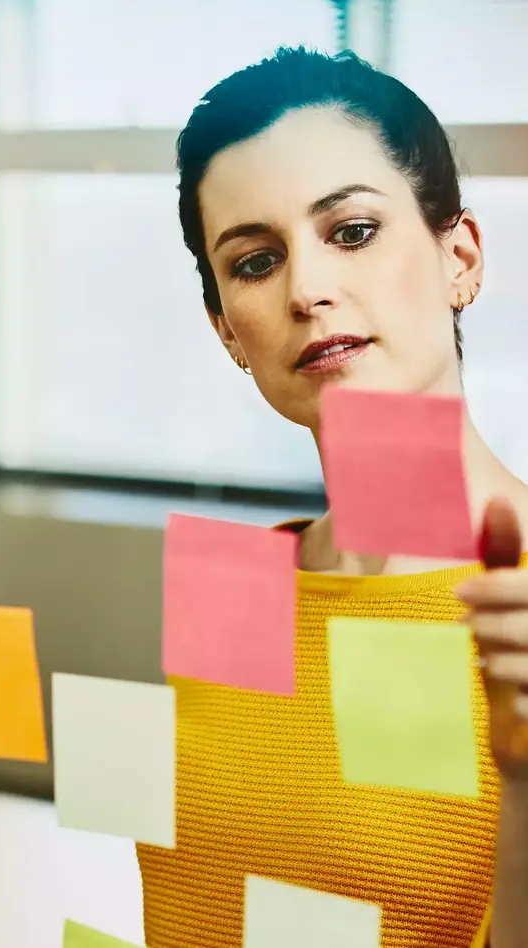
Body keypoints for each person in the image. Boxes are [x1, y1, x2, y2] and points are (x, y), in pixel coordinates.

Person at [134, 48, 528, 948]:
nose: (307, 290)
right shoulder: (233, 588)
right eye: (255, 261)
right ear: (225, 328)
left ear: (458, 256)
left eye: (349, 231)